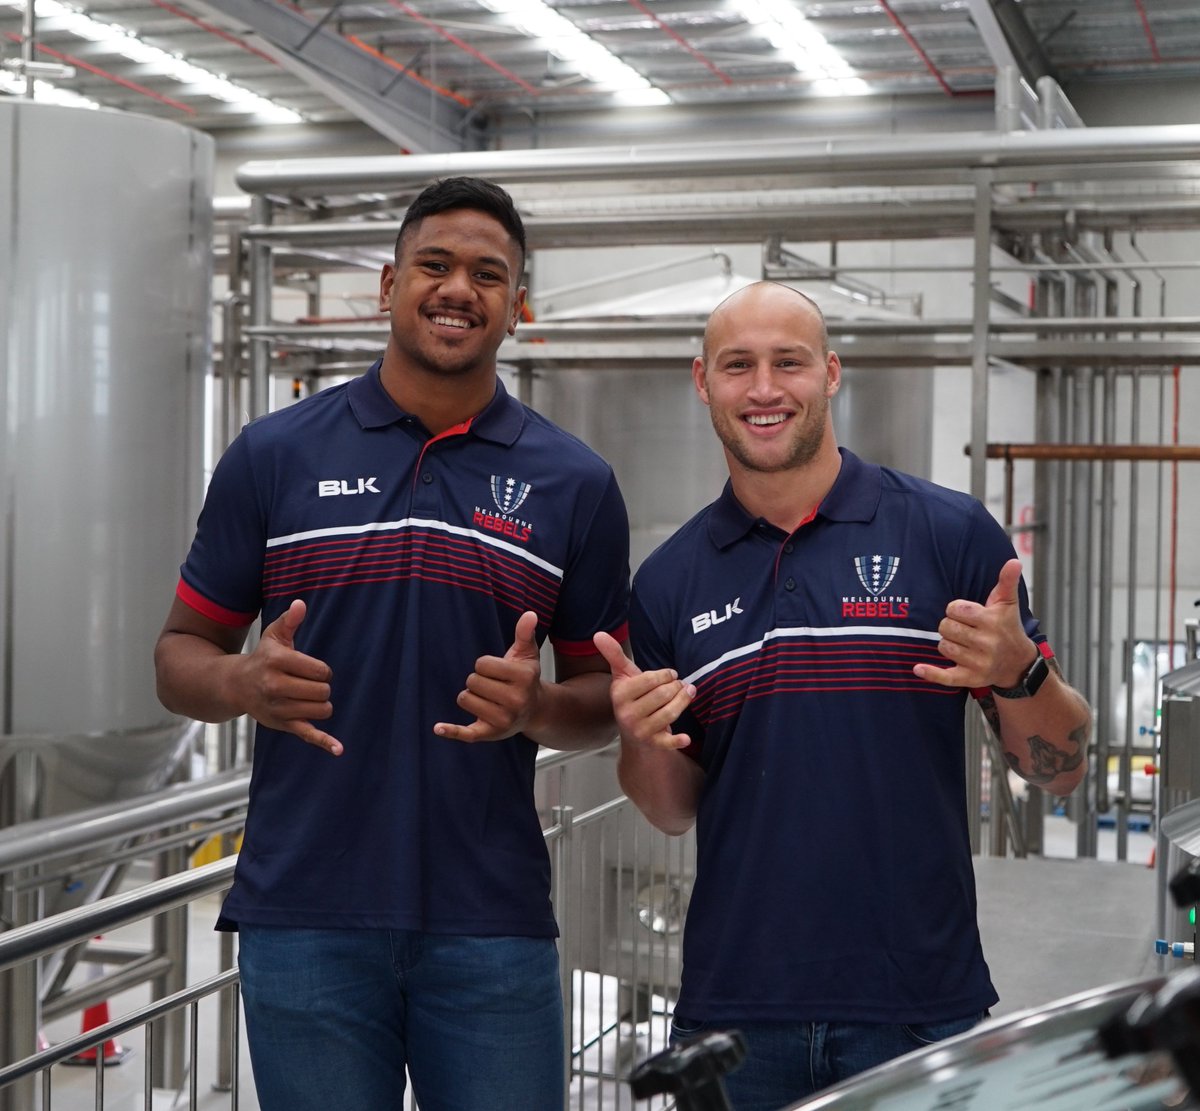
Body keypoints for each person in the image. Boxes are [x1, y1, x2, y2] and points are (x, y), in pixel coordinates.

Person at [154, 176, 630, 1111]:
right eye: (435, 264)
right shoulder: (274, 453)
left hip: (490, 920)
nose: (459, 288)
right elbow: (178, 655)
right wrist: (245, 681)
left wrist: (535, 707)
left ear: (517, 306)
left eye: (489, 274)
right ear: (387, 284)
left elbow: (601, 696)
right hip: (306, 917)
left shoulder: (576, 483)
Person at [593, 281, 1091, 1110]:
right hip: (736, 1016)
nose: (762, 388)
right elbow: (671, 809)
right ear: (701, 381)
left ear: (829, 374)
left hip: (917, 1007)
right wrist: (639, 742)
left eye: (787, 362)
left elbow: (1063, 770)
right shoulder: (671, 579)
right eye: (737, 365)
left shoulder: (946, 533)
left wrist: (1020, 672)